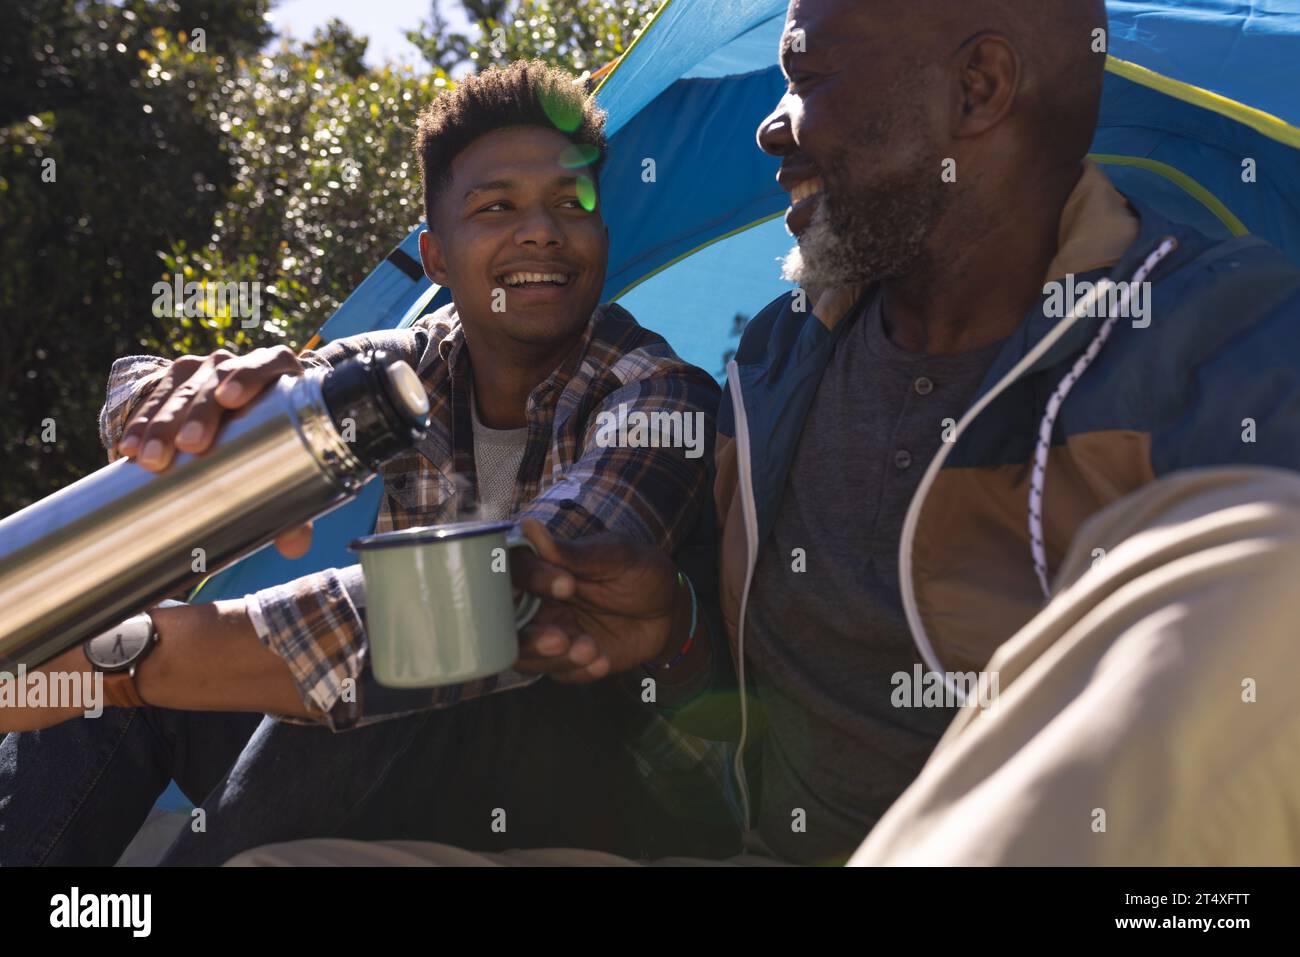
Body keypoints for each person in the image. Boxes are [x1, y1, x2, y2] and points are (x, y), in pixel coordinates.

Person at [231, 0, 1300, 866]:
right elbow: (725, 709)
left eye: (807, 74)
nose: (770, 123)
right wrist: (675, 635)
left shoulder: (1232, 337)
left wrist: (139, 660)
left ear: (976, 90)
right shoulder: (781, 359)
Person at [0, 61, 738, 866]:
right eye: (498, 207)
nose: (542, 231)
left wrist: (135, 658)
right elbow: (189, 385)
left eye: (572, 204)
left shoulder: (657, 393)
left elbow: (511, 596)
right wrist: (167, 406)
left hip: (628, 789)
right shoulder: (413, 368)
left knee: (408, 652)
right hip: (426, 762)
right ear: (436, 257)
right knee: (102, 676)